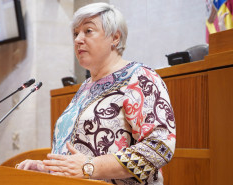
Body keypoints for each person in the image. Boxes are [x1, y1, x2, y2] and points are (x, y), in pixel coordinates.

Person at [16, 3, 176, 185]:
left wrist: (92, 167)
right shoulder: (84, 89)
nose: (78, 39)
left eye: (88, 31)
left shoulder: (140, 78)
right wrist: (49, 168)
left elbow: (159, 146)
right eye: (76, 34)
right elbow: (77, 158)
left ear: (115, 37)